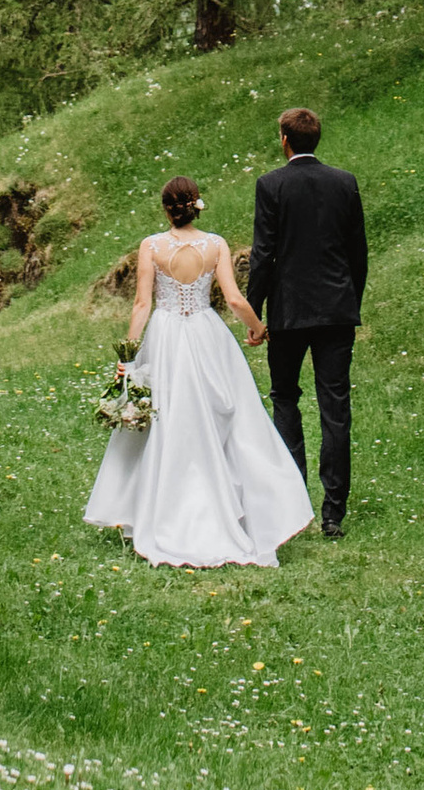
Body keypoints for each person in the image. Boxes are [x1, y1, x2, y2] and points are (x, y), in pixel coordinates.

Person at [83, 175, 314, 570]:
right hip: (207, 334)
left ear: (166, 208)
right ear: (196, 206)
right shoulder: (215, 245)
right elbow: (235, 298)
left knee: (167, 419)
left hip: (167, 336)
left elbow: (142, 304)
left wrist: (131, 354)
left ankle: (160, 512)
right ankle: (239, 510)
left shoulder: (151, 247)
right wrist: (257, 328)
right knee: (229, 417)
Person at [248, 106, 367, 541]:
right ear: (316, 138)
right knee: (335, 407)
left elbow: (263, 254)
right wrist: (351, 300)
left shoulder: (271, 185)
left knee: (285, 398)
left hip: (289, 312)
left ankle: (293, 499)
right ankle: (334, 511)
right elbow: (359, 252)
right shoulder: (344, 183)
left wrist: (255, 312)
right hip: (337, 309)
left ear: (285, 140)